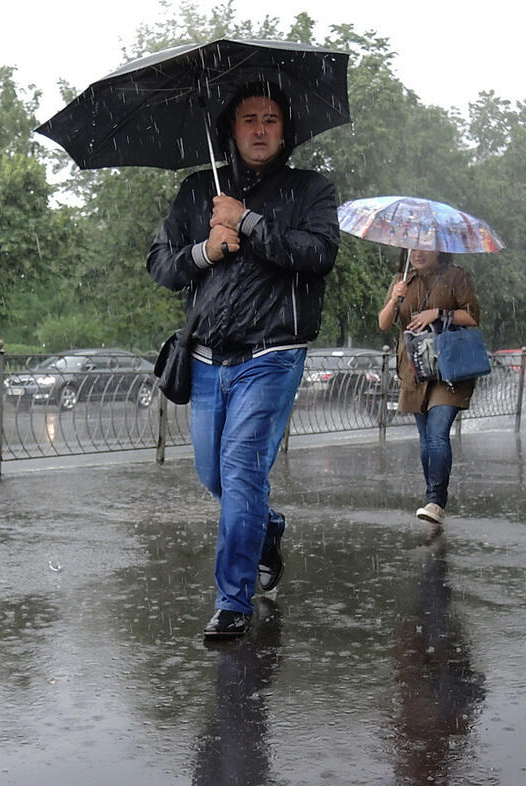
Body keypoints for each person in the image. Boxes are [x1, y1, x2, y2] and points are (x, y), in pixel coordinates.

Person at [147, 82, 339, 638]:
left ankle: (234, 600)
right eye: (249, 118)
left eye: (271, 119)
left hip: (272, 355)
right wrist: (206, 249)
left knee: (241, 470)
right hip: (207, 358)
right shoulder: (195, 192)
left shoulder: (311, 190)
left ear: (286, 129)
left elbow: (318, 255)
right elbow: (161, 265)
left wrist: (248, 222)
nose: (260, 129)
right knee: (216, 475)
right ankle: (266, 529)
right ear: (230, 129)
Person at [377, 248, 481, 525]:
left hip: (450, 368)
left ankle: (436, 501)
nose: (418, 253)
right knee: (425, 439)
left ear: (439, 250)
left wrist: (437, 313)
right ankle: (431, 497)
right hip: (414, 368)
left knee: (437, 433)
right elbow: (384, 323)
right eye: (414, 247)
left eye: (426, 247)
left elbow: (472, 316)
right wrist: (394, 299)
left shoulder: (455, 276)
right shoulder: (402, 280)